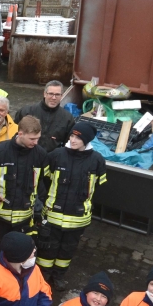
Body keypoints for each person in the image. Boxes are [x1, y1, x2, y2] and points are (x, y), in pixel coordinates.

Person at [37, 119, 107, 288]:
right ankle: (42, 278)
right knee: (47, 248)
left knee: (67, 249)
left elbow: (98, 186)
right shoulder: (56, 155)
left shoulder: (97, 160)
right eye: (72, 136)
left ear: (87, 140)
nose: (73, 140)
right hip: (52, 215)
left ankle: (58, 276)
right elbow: (44, 181)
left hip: (78, 218)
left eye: (79, 138)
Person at [0, 115, 48, 261]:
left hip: (24, 219)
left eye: (38, 138)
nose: (36, 142)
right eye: (32, 139)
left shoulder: (40, 155)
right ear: (20, 134)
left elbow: (43, 184)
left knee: (18, 256)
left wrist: (41, 211)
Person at [17, 81, 75, 153]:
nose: (54, 98)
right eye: (51, 94)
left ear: (62, 96)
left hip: (52, 158)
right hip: (26, 155)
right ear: (44, 94)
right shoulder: (27, 111)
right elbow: (14, 134)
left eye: (57, 94)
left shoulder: (67, 118)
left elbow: (69, 143)